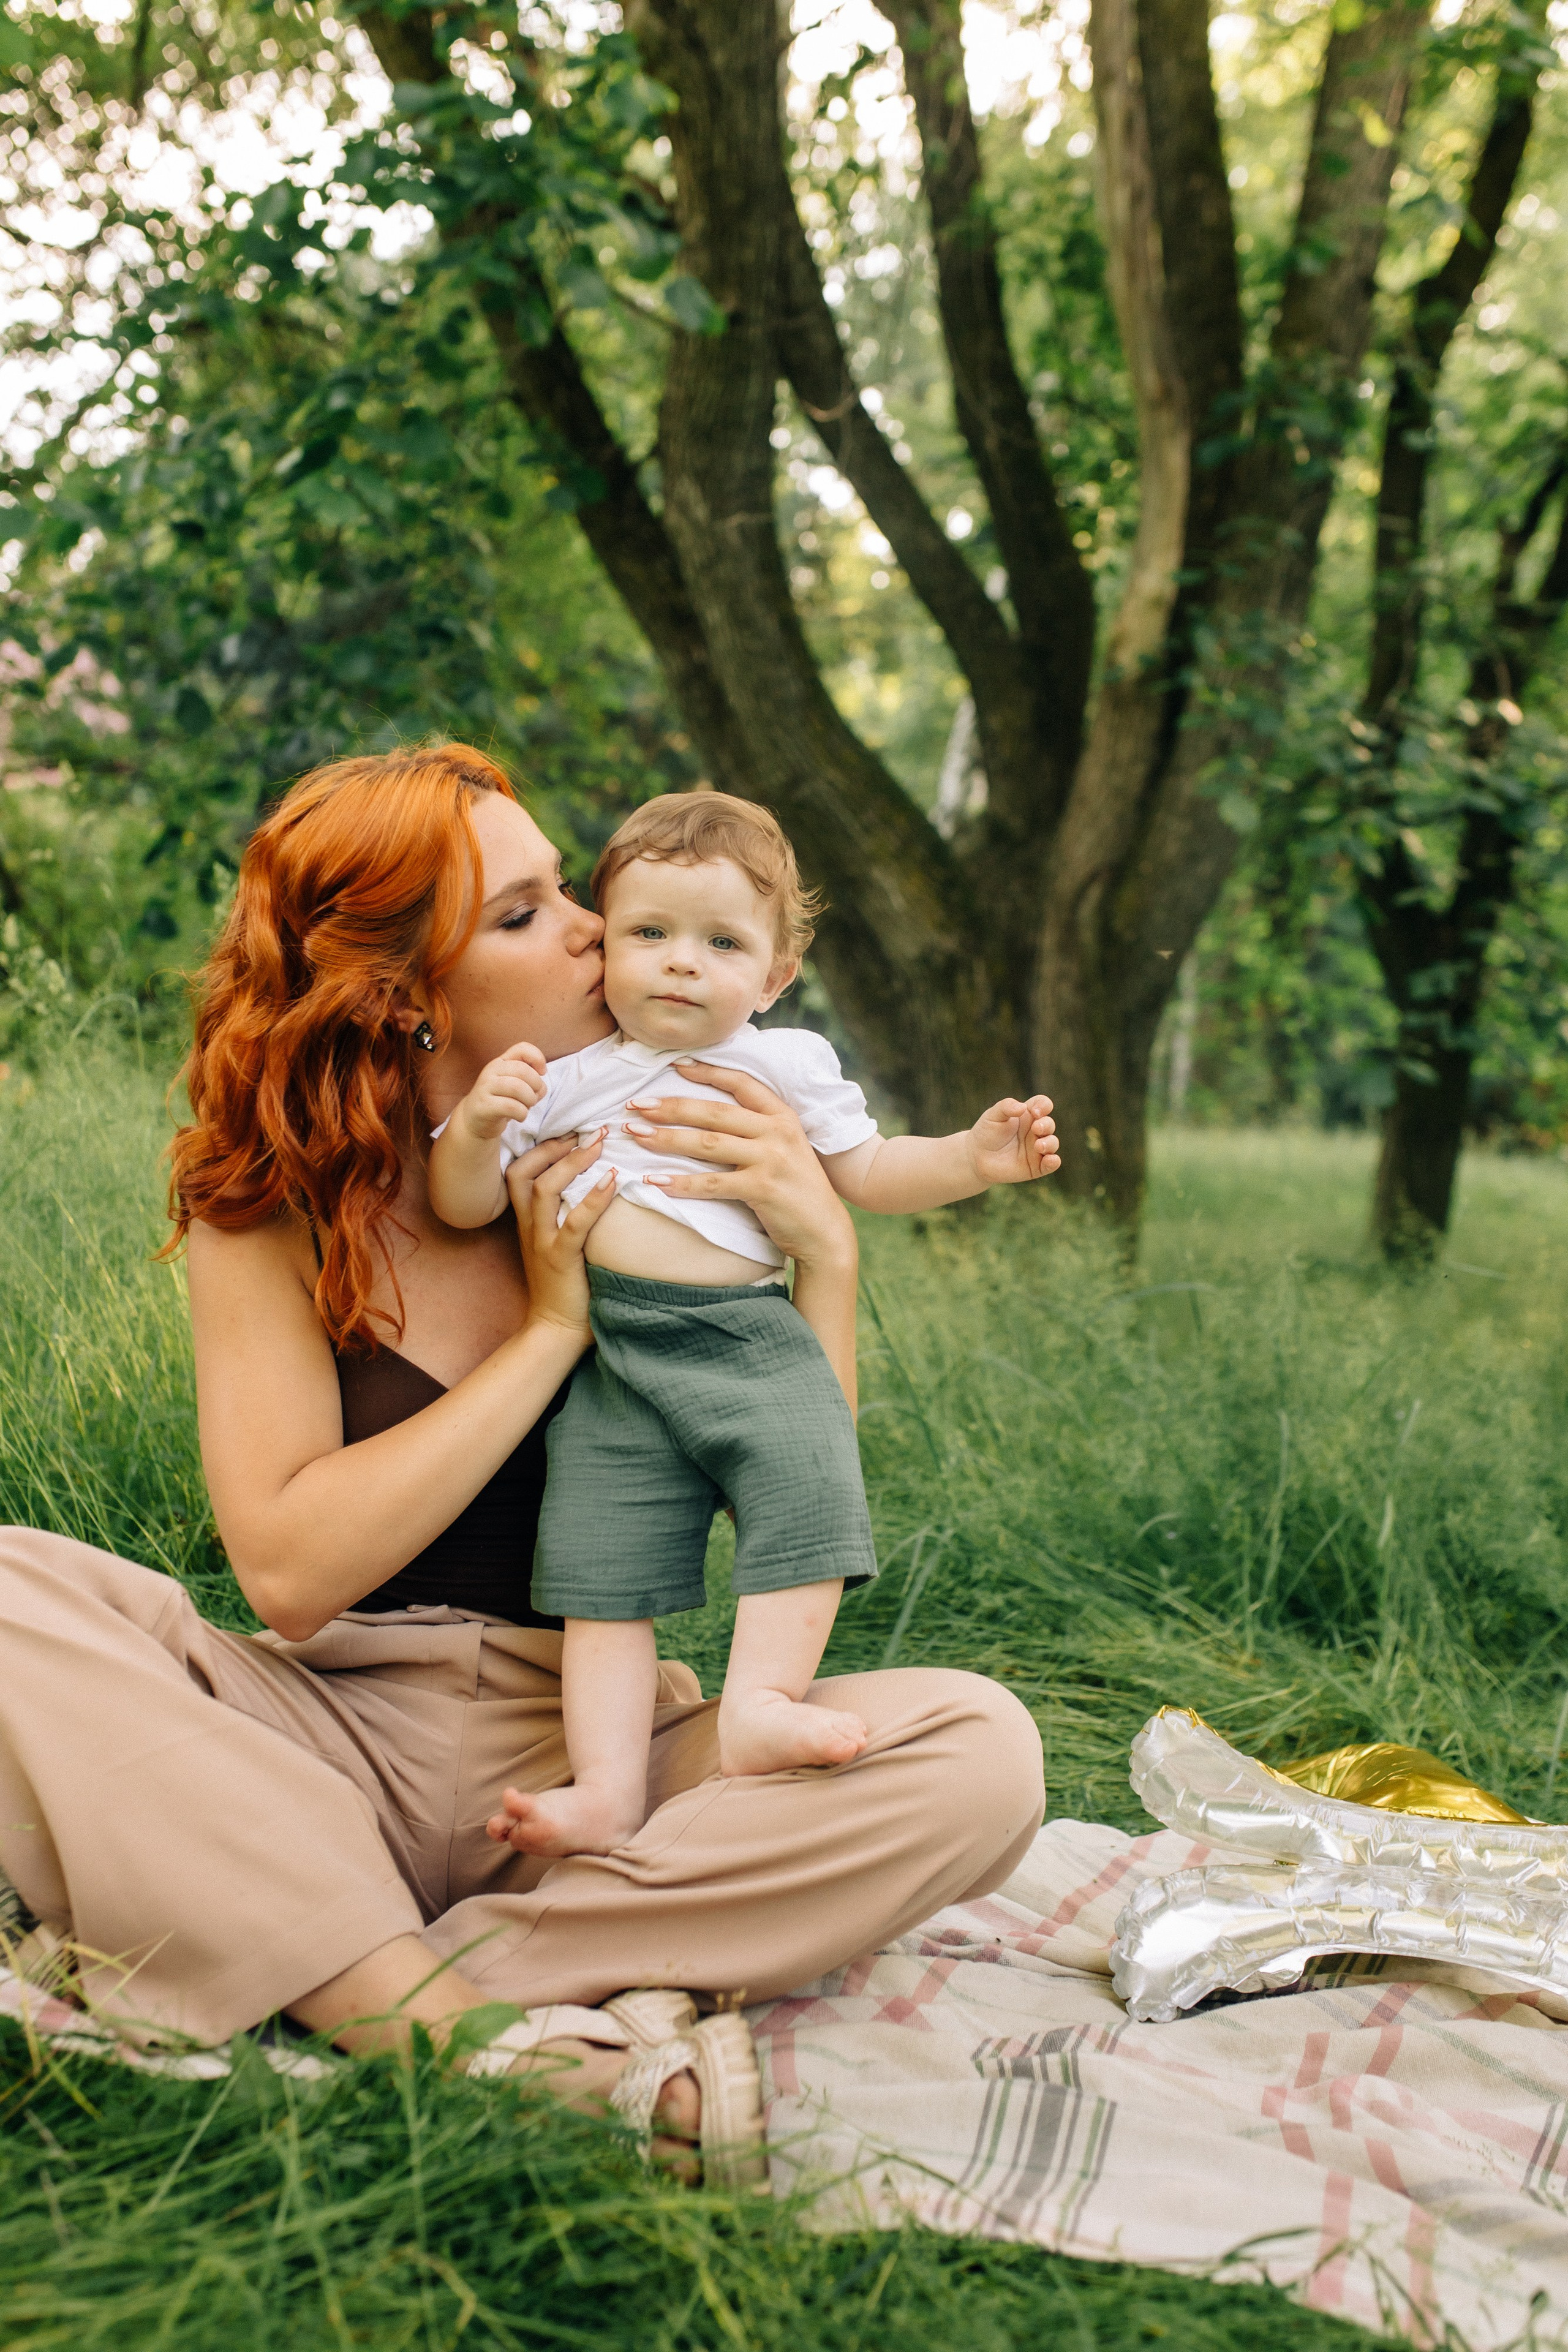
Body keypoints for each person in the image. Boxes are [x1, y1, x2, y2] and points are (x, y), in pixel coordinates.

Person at [0, 743, 1047, 2184]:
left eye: (570, 891)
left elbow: (789, 1477)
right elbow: (292, 1574)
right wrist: (551, 1333)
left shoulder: (662, 1153)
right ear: (406, 997)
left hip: (584, 1757)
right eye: (522, 913)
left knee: (979, 1751)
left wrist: (827, 1258)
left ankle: (390, 1974)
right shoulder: (276, 1204)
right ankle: (410, 2005)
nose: (587, 926)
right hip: (317, 1736)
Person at [428, 791, 1058, 1860]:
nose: (681, 962)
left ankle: (760, 1702)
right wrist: (481, 1126)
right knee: (600, 1574)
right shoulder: (570, 1076)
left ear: (773, 978)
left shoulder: (788, 1067)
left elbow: (865, 1173)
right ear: (605, 951)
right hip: (617, 1357)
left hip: (748, 1336)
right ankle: (608, 1790)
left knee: (810, 1479)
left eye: (721, 943)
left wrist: (970, 1159)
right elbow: (466, 1204)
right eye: (649, 934)